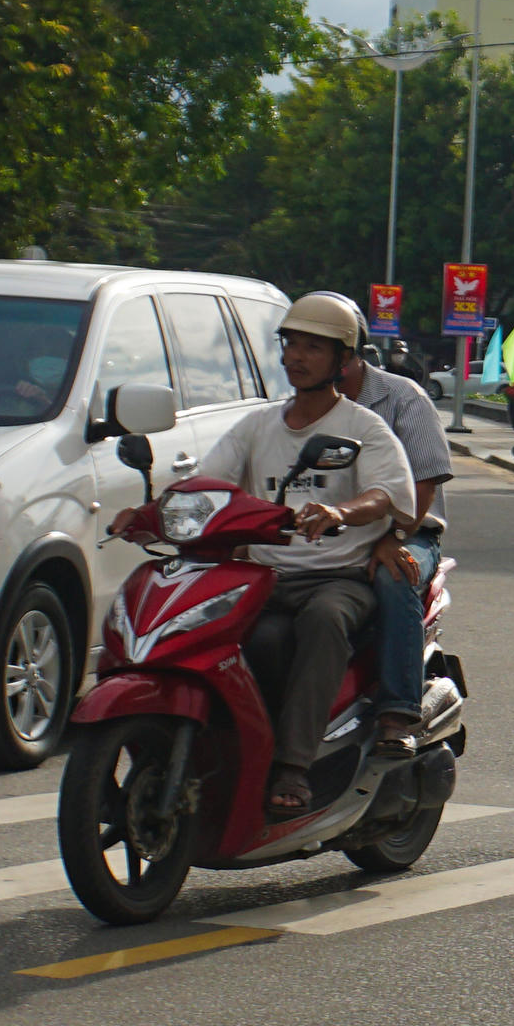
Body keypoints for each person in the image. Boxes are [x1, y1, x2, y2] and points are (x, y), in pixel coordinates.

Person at [183, 294, 421, 821]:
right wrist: (153, 510)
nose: (297, 356)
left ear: (343, 359)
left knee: (323, 620)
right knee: (238, 635)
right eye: (291, 344)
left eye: (314, 347)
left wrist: (340, 512)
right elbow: (208, 483)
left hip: (339, 579)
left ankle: (294, 766)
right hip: (266, 579)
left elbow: (385, 494)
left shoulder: (363, 426)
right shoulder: (257, 426)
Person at [309, 296, 452, 526]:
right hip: (328, 529)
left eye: (319, 349)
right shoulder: (286, 408)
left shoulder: (405, 397)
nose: (303, 359)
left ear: (352, 351)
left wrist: (396, 537)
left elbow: (424, 484)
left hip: (406, 528)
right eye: (296, 346)